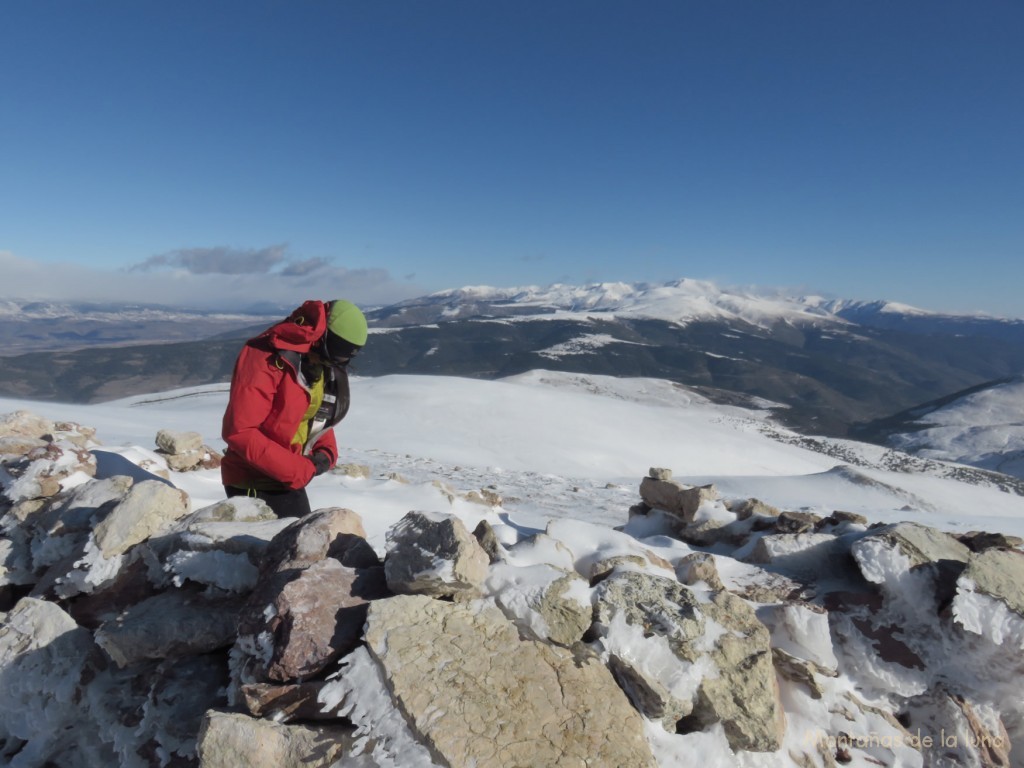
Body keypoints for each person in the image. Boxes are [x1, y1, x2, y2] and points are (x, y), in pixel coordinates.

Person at [220, 298, 367, 517]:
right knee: (287, 547)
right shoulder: (264, 357)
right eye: (334, 358)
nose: (335, 365)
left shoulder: (316, 361)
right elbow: (240, 431)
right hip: (253, 480)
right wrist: (298, 470)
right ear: (322, 339)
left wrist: (325, 450)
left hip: (287, 475)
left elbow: (315, 411)